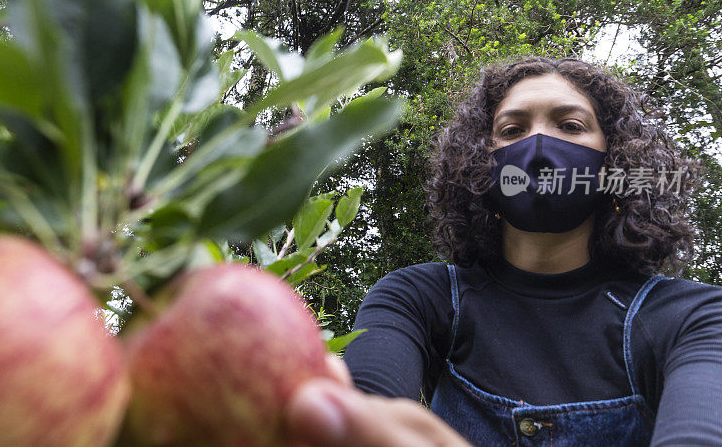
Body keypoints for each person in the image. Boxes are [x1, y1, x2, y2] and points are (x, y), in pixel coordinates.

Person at [286, 57, 722, 446]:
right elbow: (359, 416)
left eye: (570, 126)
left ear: (617, 161)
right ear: (479, 162)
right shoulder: (416, 298)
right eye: (512, 130)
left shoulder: (693, 317)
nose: (537, 149)